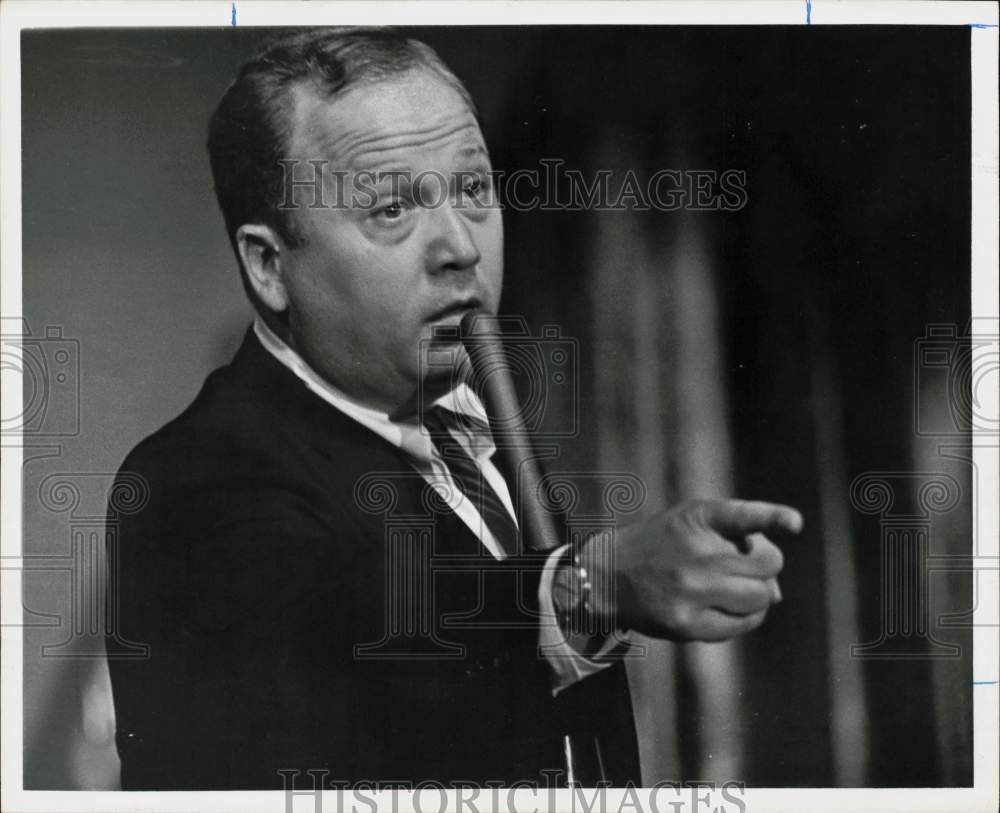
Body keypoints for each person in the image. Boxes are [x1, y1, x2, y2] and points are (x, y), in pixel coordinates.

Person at [106, 27, 803, 790]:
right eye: (392, 210)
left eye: (472, 190)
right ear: (270, 266)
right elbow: (358, 637)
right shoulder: (191, 481)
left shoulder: (473, 430)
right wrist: (593, 584)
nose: (460, 248)